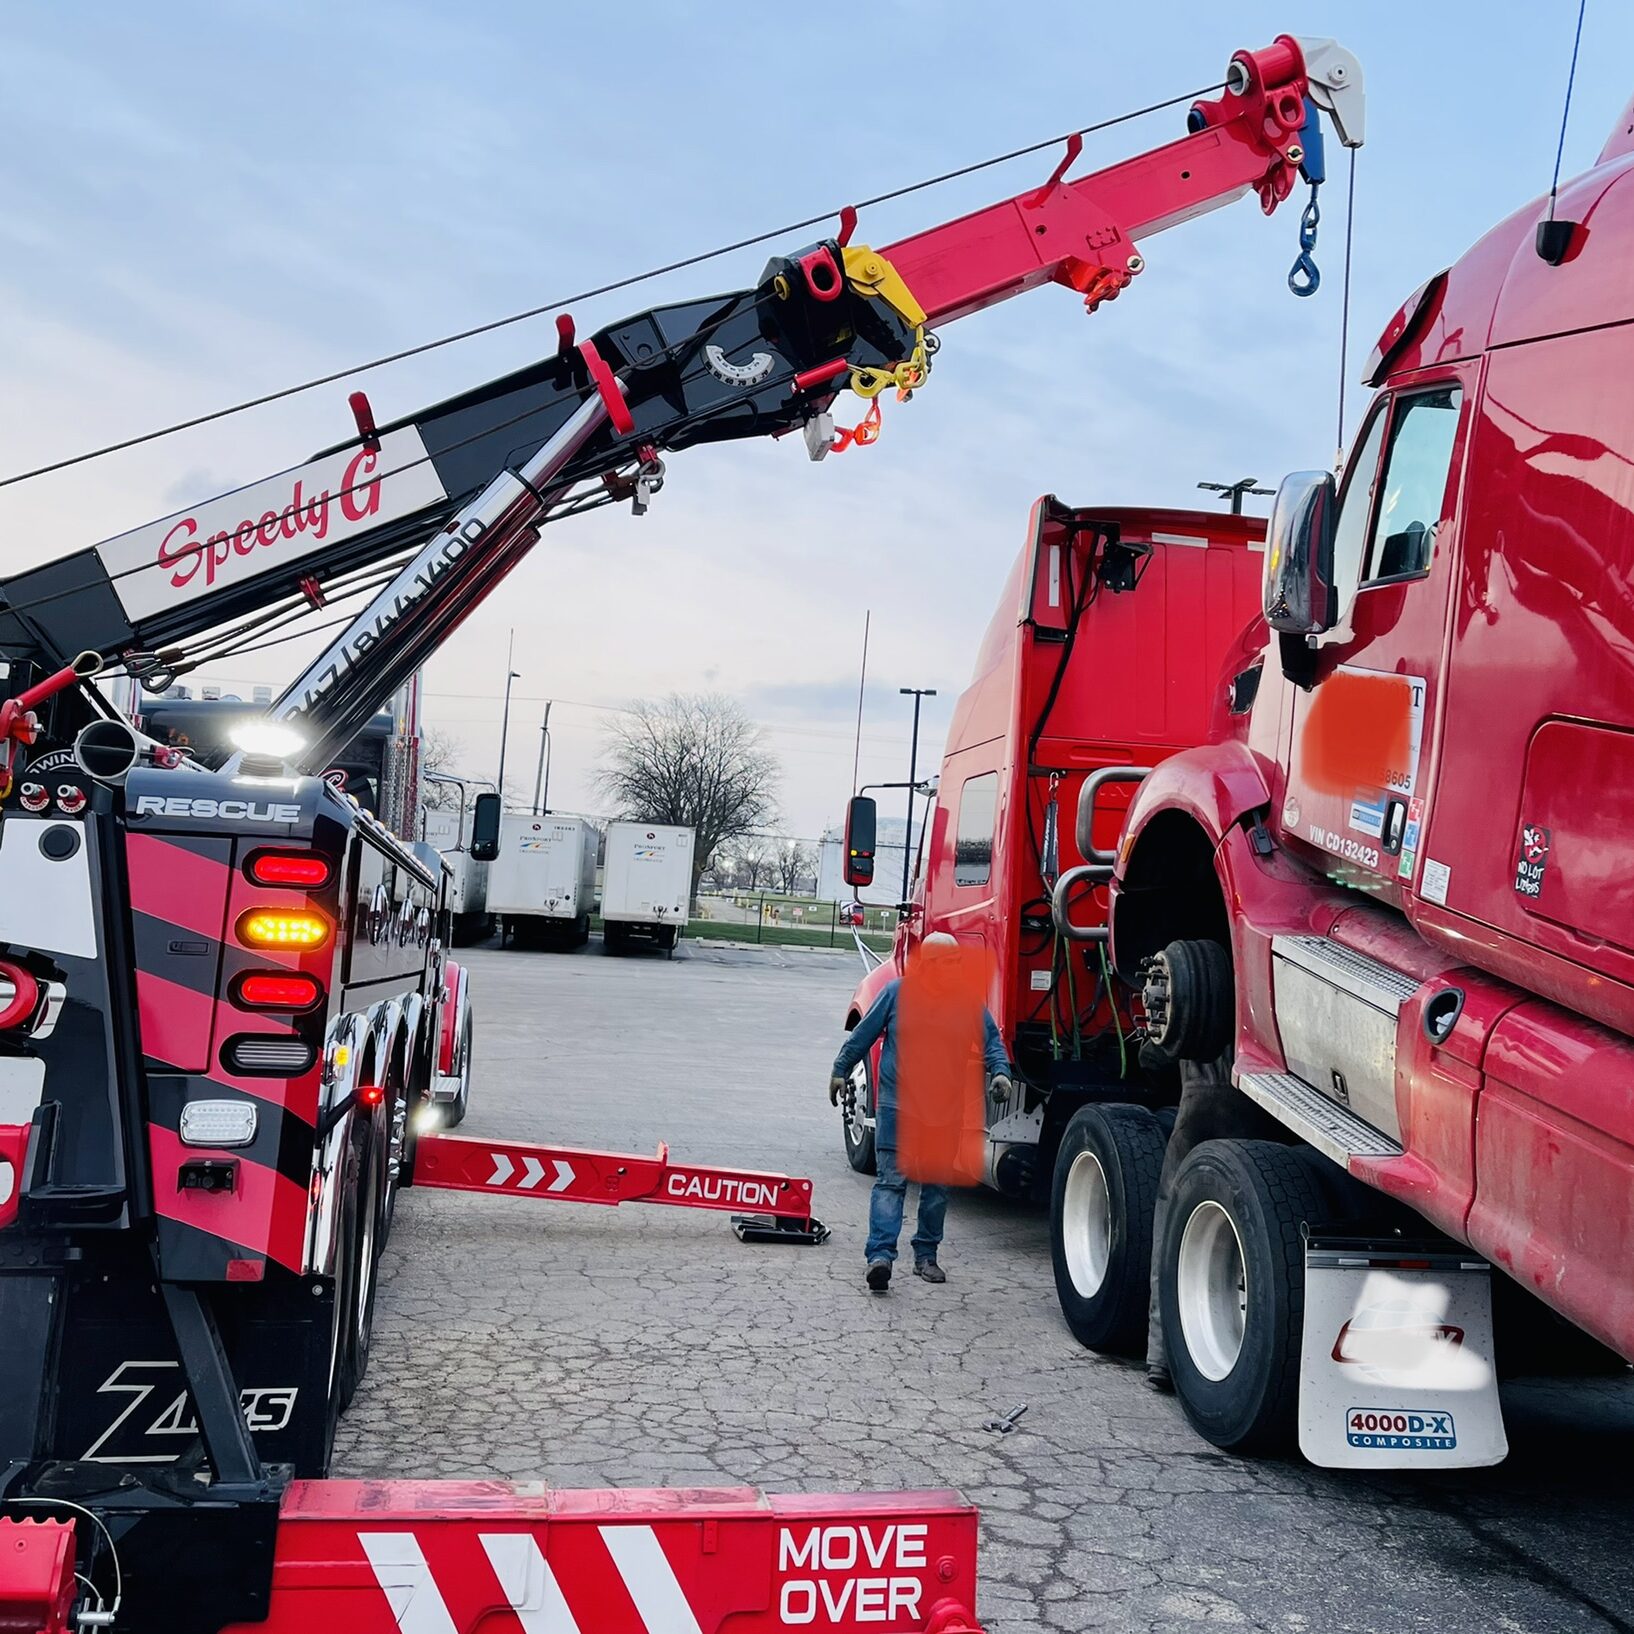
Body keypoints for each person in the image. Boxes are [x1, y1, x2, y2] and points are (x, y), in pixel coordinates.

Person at [829, 933, 1013, 1292]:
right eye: (947, 963)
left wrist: (1001, 1072)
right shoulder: (897, 993)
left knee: (937, 1188)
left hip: (944, 1112)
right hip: (899, 1107)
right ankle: (880, 1257)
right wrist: (840, 1070)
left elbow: (991, 1041)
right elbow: (863, 1034)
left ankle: (926, 1256)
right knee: (891, 1182)